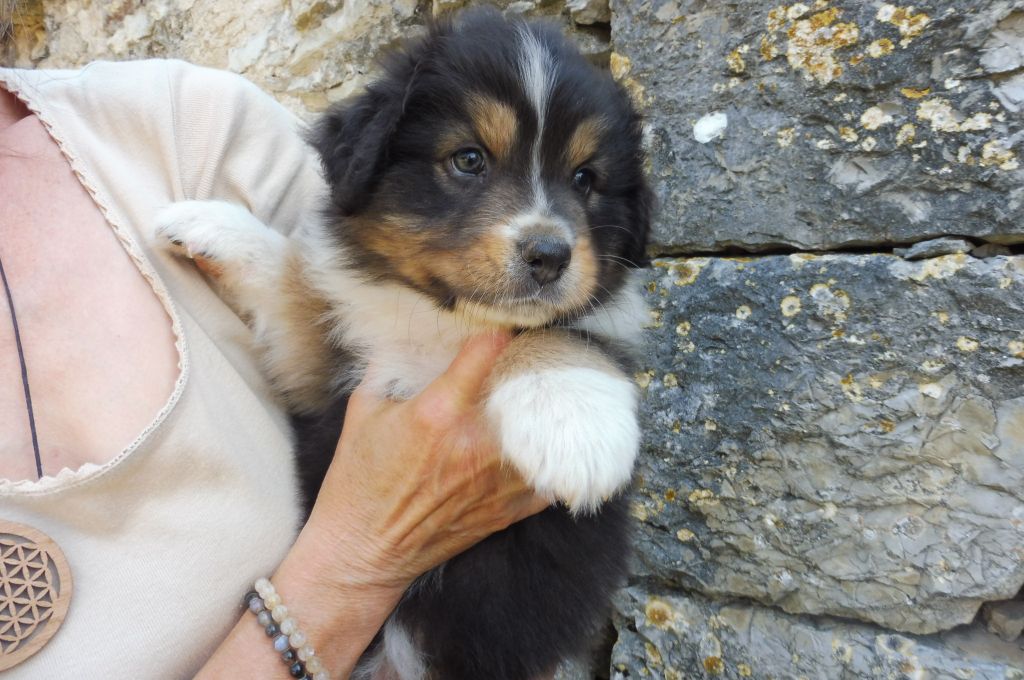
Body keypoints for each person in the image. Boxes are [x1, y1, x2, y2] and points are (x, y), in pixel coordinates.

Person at [0, 58, 547, 677]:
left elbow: (366, 312)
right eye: (469, 163)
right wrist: (357, 563)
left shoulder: (185, 127)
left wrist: (273, 275)